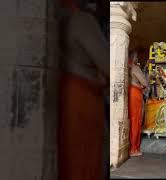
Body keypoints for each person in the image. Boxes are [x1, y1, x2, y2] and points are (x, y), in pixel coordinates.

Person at [58, 0, 107, 179]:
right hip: (83, 98)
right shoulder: (80, 20)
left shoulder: (60, 18)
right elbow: (110, 66)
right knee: (83, 162)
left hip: (67, 95)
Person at [128, 51, 149, 157]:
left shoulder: (127, 67)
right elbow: (144, 82)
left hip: (130, 92)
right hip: (135, 93)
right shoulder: (135, 67)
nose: (137, 58)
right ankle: (134, 149)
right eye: (136, 56)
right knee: (136, 120)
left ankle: (131, 147)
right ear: (133, 57)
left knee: (131, 119)